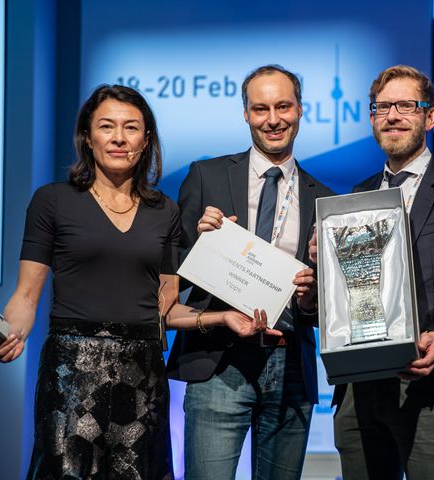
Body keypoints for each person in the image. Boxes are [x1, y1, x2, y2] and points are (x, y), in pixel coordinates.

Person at [0, 85, 272, 479]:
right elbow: (26, 295)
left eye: (131, 128)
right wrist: (9, 331)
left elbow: (164, 310)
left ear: (146, 138)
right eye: (106, 126)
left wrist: (222, 318)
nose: (119, 138)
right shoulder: (52, 200)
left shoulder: (165, 211)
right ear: (87, 135)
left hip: (143, 375)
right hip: (71, 372)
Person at [317, 65, 434, 479]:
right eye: (382, 107)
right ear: (372, 118)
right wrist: (322, 269)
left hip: (425, 379)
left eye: (405, 105)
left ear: (430, 117)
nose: (392, 116)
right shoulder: (354, 197)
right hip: (358, 387)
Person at [166, 65, 334, 480]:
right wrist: (201, 244)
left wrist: (311, 295)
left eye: (283, 106)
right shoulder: (205, 176)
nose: (273, 119)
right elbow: (173, 273)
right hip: (218, 362)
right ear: (245, 113)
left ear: (300, 109)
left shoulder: (325, 199)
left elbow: (323, 311)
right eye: (261, 108)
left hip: (290, 363)